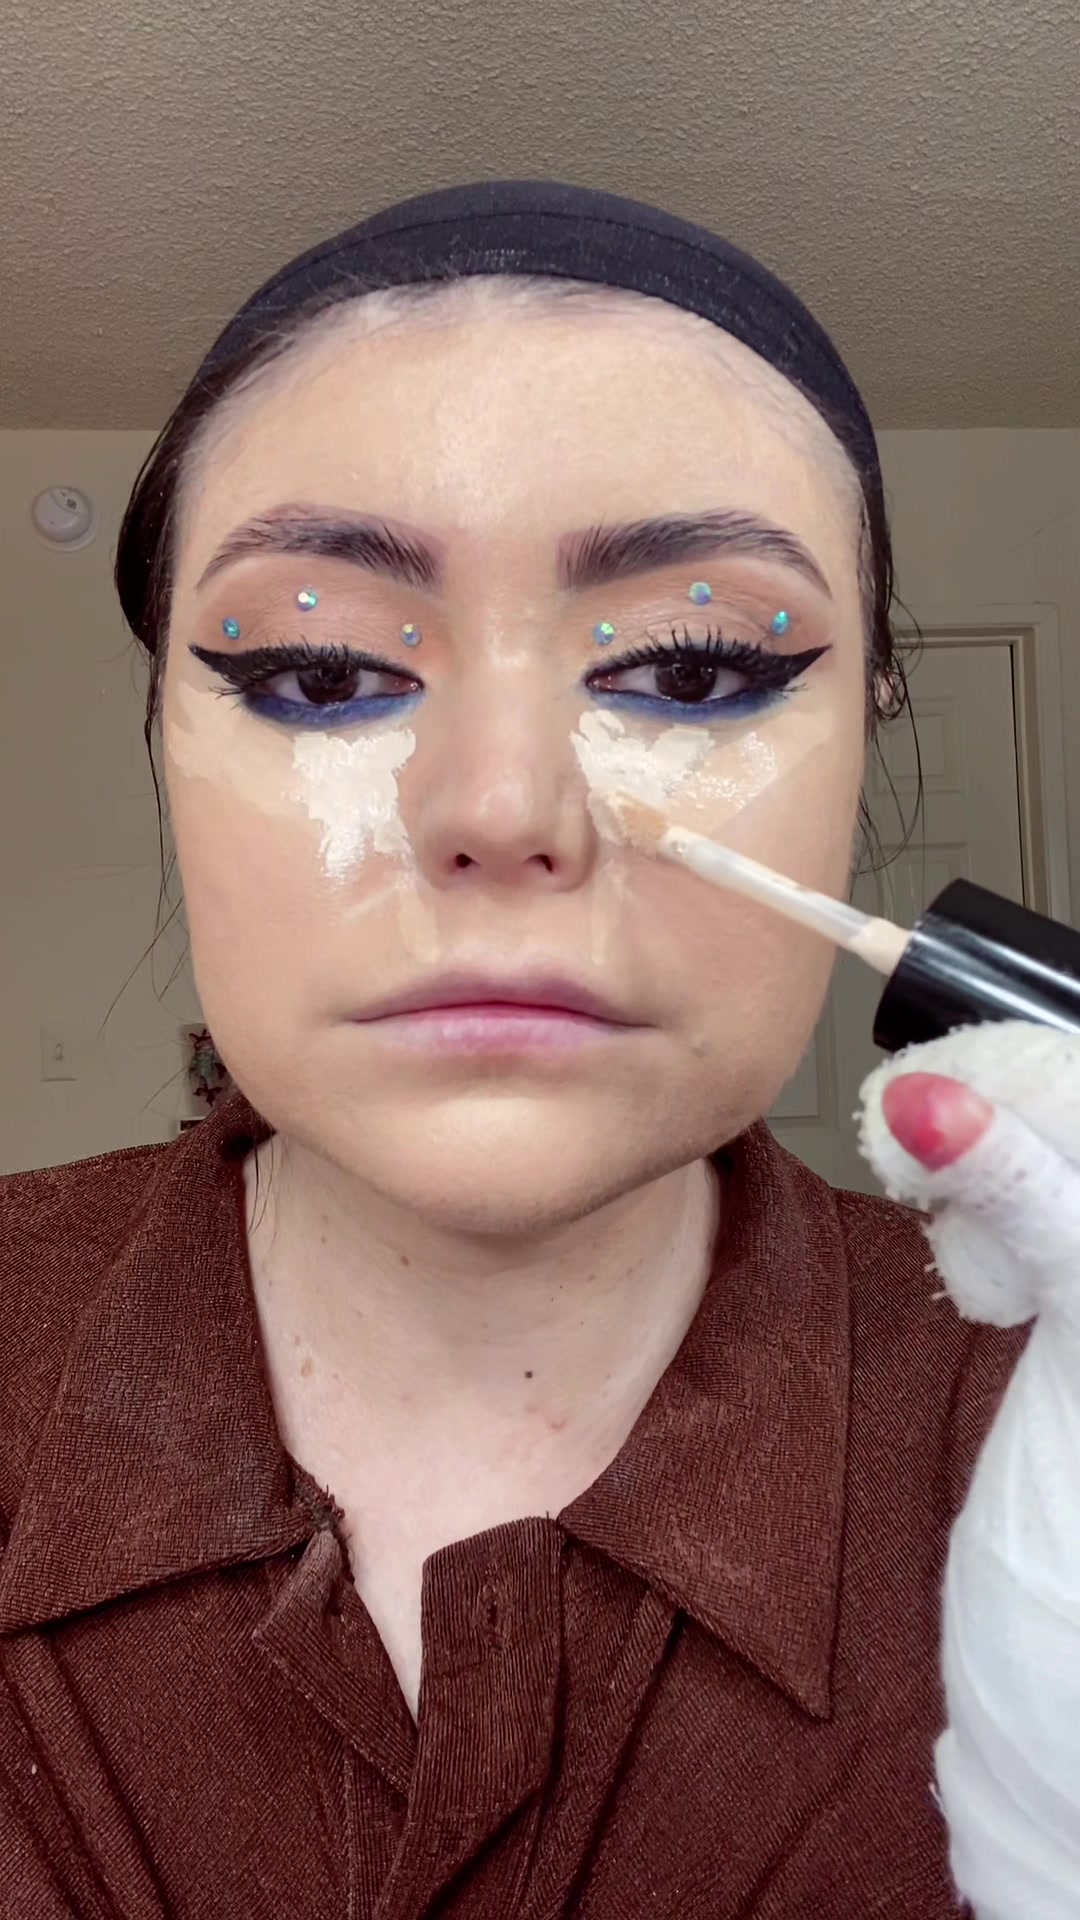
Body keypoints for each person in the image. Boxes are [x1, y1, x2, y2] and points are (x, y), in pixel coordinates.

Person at [0, 181, 1031, 1918]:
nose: (499, 808)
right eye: (322, 674)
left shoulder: (1039, 1427)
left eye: (690, 672)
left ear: (868, 737)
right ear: (163, 740)